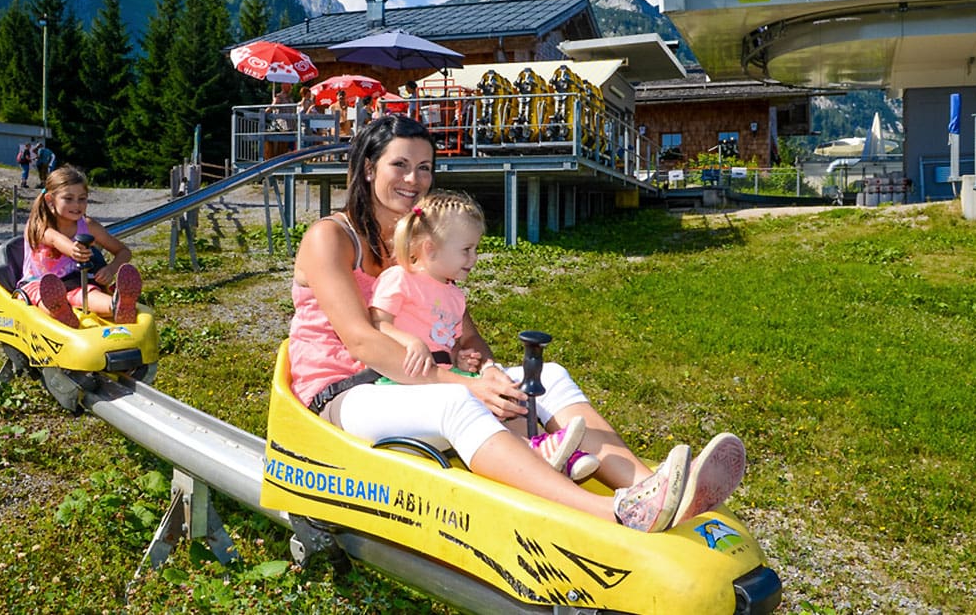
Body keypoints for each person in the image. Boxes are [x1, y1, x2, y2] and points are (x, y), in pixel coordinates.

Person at [287, 115, 746, 533]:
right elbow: (363, 340)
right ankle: (614, 512)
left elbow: (465, 332)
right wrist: (467, 386)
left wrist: (487, 372)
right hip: (345, 394)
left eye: (425, 167)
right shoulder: (330, 238)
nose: (414, 179)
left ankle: (653, 488)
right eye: (400, 165)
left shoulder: (419, 246)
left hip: (410, 385)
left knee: (547, 376)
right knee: (455, 404)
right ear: (368, 168)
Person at [370, 189, 599, 481]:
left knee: (502, 396)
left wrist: (459, 356)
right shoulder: (400, 278)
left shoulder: (453, 295)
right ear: (429, 249)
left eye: (475, 249)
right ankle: (536, 451)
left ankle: (543, 446)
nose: (474, 258)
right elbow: (377, 323)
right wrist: (410, 342)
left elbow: (443, 340)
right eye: (466, 250)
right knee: (477, 402)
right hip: (405, 379)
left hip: (443, 373)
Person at [19, 165, 142, 328]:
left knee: (89, 293)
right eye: (68, 199)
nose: (77, 205)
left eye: (82, 198)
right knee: (41, 296)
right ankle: (59, 312)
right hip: (39, 283)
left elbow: (124, 251)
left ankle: (118, 306)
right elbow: (54, 239)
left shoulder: (89, 226)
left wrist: (110, 270)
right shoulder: (38, 225)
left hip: (74, 282)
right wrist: (73, 249)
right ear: (50, 200)